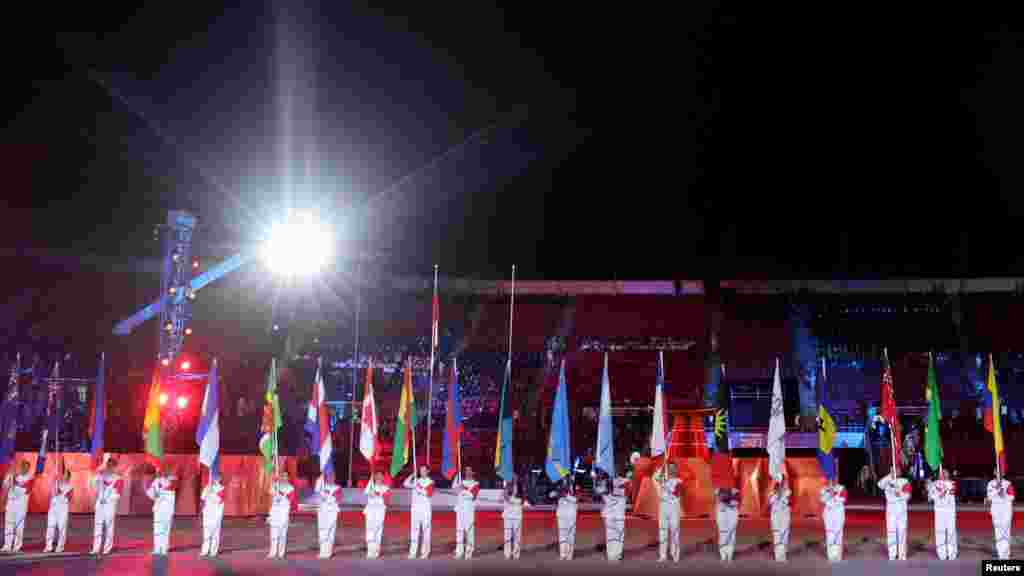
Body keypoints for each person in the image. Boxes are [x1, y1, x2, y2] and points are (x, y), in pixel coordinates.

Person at [595, 467, 630, 562]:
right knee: (610, 534)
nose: (616, 471)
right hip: (609, 512)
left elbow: (627, 488)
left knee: (618, 533)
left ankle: (617, 554)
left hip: (619, 512)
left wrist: (612, 487)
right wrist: (605, 484)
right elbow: (597, 491)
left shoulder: (625, 481)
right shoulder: (603, 483)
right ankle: (611, 554)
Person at [91, 457, 123, 556]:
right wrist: (97, 476)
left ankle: (107, 548)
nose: (109, 467)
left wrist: (108, 499)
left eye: (111, 466)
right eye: (108, 465)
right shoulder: (101, 475)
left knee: (109, 526)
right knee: (98, 526)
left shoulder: (118, 478)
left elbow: (118, 494)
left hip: (109, 505)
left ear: (115, 467)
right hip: (100, 503)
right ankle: (96, 548)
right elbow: (95, 487)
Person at [1, 460, 35, 553]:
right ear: (21, 467)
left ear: (29, 469)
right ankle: (7, 546)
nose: (25, 469)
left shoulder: (30, 478)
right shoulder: (12, 475)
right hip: (11, 504)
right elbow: (5, 487)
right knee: (8, 524)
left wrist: (14, 479)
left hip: (21, 506)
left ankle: (17, 547)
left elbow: (25, 489)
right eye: (23, 467)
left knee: (19, 526)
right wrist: (9, 477)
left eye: (27, 467)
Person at [878, 469, 912, 560]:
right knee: (891, 532)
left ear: (901, 472)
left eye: (897, 470)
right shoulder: (887, 481)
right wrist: (890, 476)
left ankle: (902, 554)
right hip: (891, 509)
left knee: (902, 532)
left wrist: (899, 494)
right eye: (893, 470)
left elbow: (908, 495)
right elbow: (880, 485)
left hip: (901, 509)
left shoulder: (905, 481)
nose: (896, 471)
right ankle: (892, 554)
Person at [145, 463, 177, 555]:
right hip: (158, 508)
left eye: (160, 470)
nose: (158, 472)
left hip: (167, 508)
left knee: (165, 528)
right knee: (157, 528)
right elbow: (152, 493)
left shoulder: (172, 480)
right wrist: (152, 493)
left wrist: (161, 492)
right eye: (157, 471)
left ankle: (164, 548)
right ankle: (157, 548)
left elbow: (171, 489)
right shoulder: (156, 481)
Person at [926, 468, 957, 560]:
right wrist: (932, 488)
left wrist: (943, 490)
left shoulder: (952, 483)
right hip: (939, 511)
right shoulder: (934, 484)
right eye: (942, 472)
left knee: (951, 532)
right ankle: (942, 554)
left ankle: (951, 554)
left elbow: (952, 492)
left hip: (950, 511)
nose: (943, 474)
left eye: (945, 472)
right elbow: (930, 497)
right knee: (940, 532)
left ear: (948, 474)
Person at [403, 465, 434, 559]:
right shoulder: (416, 480)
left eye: (424, 470)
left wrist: (418, 488)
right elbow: (405, 484)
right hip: (415, 509)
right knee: (414, 530)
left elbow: (428, 493)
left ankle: (425, 552)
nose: (422, 472)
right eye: (420, 470)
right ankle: (412, 552)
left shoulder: (431, 482)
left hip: (425, 509)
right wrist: (412, 475)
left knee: (426, 531)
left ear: (428, 471)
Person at [654, 461, 683, 562]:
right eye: (669, 468)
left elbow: (676, 492)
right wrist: (662, 467)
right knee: (662, 531)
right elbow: (655, 477)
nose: (671, 470)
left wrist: (665, 485)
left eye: (673, 468)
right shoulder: (662, 479)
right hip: (663, 506)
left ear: (676, 469)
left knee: (674, 530)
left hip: (673, 507)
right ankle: (662, 555)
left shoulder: (679, 481)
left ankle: (675, 555)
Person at [986, 468, 1015, 559]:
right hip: (995, 509)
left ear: (1003, 473)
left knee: (1005, 530)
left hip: (1006, 509)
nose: (998, 473)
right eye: (996, 471)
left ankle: (1006, 553)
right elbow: (989, 497)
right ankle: (1000, 553)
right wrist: (998, 490)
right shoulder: (990, 483)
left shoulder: (1008, 483)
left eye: (1000, 471)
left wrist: (1004, 495)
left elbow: (1012, 497)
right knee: (997, 530)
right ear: (994, 472)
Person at [453, 466, 481, 559]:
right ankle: (459, 551)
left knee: (469, 531)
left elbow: (472, 495)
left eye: (470, 470)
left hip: (469, 511)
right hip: (460, 510)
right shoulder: (461, 482)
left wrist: (463, 489)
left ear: (473, 472)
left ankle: (469, 551)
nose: (467, 472)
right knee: (459, 531)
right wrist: (457, 475)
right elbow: (454, 487)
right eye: (466, 470)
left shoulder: (476, 483)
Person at [267, 471, 296, 559]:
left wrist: (282, 495)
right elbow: (271, 497)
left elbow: (291, 500)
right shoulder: (275, 485)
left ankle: (281, 553)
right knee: (273, 533)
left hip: (283, 512)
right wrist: (269, 513)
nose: (284, 478)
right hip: (275, 512)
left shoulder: (290, 488)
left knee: (282, 534)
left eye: (285, 476)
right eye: (282, 476)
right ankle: (272, 552)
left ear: (288, 478)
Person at [44, 467, 73, 553]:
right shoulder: (55, 483)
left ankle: (60, 547)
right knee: (50, 527)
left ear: (68, 477)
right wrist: (54, 481)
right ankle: (48, 546)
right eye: (63, 475)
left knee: (61, 528)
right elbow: (51, 492)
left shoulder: (70, 487)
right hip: (53, 509)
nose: (64, 476)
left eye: (66, 475)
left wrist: (61, 491)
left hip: (63, 509)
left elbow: (70, 498)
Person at [363, 471, 390, 559]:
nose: (378, 477)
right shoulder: (370, 485)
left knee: (378, 530)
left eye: (380, 476)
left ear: (383, 478)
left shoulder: (386, 488)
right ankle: (370, 551)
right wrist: (372, 492)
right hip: (370, 511)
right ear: (374, 477)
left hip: (380, 511)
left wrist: (378, 494)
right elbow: (366, 493)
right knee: (370, 529)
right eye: (377, 475)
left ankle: (376, 550)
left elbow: (386, 500)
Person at [316, 474, 343, 559]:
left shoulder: (337, 488)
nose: (331, 478)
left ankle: (328, 551)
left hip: (332, 510)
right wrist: (320, 478)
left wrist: (329, 497)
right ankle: (322, 551)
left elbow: (339, 499)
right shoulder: (322, 485)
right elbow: (317, 490)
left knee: (330, 530)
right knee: (322, 529)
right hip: (322, 510)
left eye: (333, 477)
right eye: (329, 477)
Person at [199, 474, 225, 557]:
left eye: (217, 478)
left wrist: (212, 493)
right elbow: (202, 498)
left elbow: (219, 500)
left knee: (215, 532)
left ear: (220, 479)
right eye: (214, 478)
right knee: (206, 532)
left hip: (216, 514)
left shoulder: (222, 489)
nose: (215, 479)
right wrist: (207, 491)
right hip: (207, 513)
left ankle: (213, 551)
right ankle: (204, 550)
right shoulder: (207, 487)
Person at [552, 478, 577, 560]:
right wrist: (558, 493)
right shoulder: (558, 489)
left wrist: (566, 495)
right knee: (562, 536)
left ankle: (569, 555)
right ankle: (563, 554)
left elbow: (576, 499)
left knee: (570, 536)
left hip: (571, 516)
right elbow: (551, 495)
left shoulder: (574, 487)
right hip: (561, 516)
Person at [768, 475, 791, 562]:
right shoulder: (772, 493)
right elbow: (771, 501)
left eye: (783, 481)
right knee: (777, 534)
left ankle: (783, 554)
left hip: (785, 515)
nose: (782, 483)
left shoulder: (788, 492)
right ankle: (778, 555)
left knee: (785, 534)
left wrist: (783, 492)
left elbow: (788, 500)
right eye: (780, 481)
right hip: (776, 516)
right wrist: (777, 493)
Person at [715, 484, 740, 562]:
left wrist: (730, 499)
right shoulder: (719, 504)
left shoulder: (734, 503)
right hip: (723, 522)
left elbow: (735, 518)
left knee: (731, 536)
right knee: (723, 534)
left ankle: (729, 556)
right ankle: (723, 555)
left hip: (731, 519)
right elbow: (718, 518)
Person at [502, 477, 526, 560]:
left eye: (516, 476)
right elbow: (506, 498)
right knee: (507, 536)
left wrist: (515, 499)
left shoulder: (521, 487)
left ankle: (516, 554)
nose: (514, 477)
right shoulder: (507, 487)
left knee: (517, 536)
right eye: (512, 476)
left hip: (517, 515)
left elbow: (522, 500)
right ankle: (507, 554)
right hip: (507, 515)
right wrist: (514, 499)